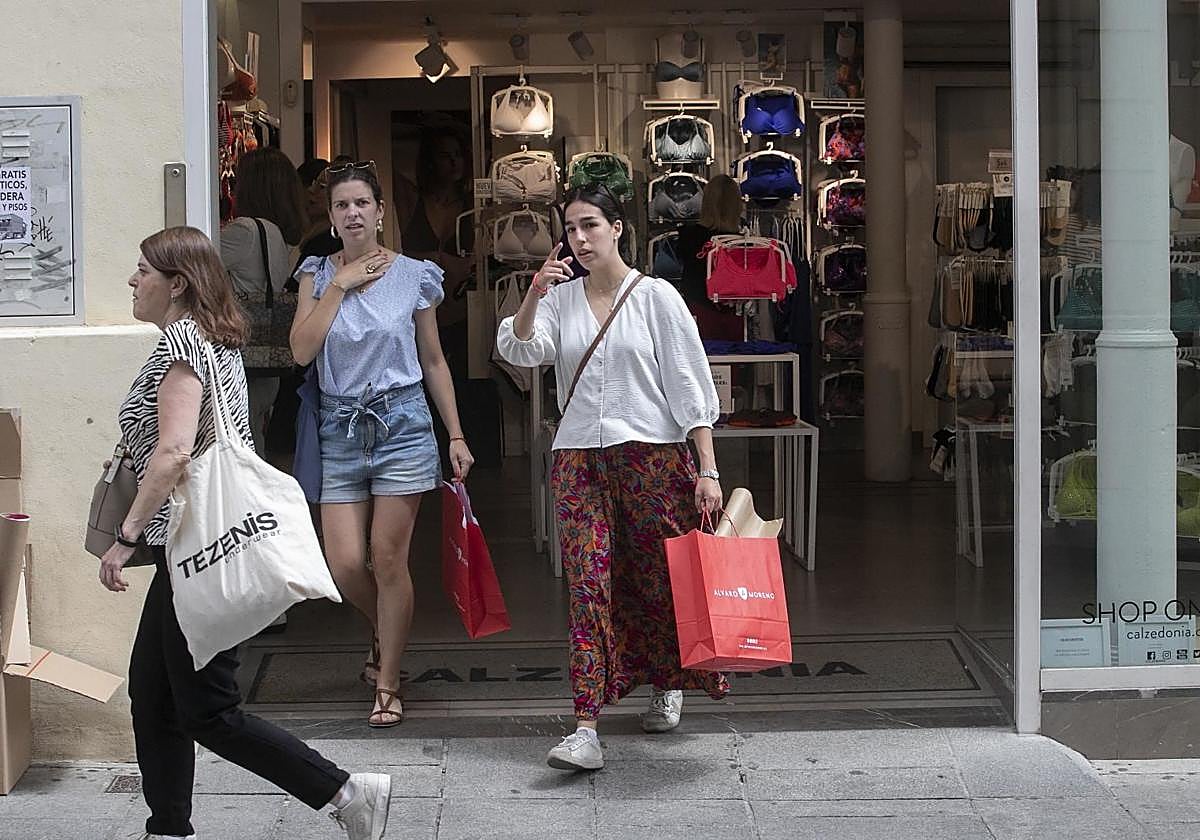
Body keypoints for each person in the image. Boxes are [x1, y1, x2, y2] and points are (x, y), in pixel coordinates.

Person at [98, 226, 391, 840]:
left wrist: (125, 535)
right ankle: (167, 828)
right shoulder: (213, 340)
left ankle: (343, 791)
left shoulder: (182, 345)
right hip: (194, 547)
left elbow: (176, 450)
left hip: (198, 549)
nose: (133, 280)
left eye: (143, 271)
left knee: (208, 709)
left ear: (176, 283)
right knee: (154, 698)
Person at [496, 185, 730, 772]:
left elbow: (689, 384)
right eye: (571, 228)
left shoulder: (656, 297)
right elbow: (522, 352)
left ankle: (667, 682)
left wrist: (707, 468)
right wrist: (532, 294)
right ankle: (585, 724)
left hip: (652, 456)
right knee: (587, 583)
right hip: (578, 459)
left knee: (656, 578)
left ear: (618, 228)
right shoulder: (559, 299)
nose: (580, 238)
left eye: (591, 225)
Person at [290, 161, 475, 728]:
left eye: (361, 204)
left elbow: (434, 358)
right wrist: (339, 287)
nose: (351, 214)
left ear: (379, 210)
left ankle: (389, 682)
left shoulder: (415, 275)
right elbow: (301, 350)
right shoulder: (316, 273)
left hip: (402, 423)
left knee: (387, 558)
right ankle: (383, 629)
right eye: (341, 206)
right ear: (330, 215)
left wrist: (456, 433)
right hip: (340, 426)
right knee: (344, 563)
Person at [220, 146, 308, 455]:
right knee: (254, 431)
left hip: (240, 351)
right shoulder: (280, 236)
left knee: (240, 440)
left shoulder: (245, 231)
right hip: (266, 355)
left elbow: (193, 264)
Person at [394, 126, 475, 375]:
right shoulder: (412, 200)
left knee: (467, 387)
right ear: (430, 161)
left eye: (458, 154)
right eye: (444, 155)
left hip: (466, 315)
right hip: (420, 314)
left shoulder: (475, 206)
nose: (453, 162)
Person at [674, 173, 746, 341]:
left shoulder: (688, 236)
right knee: (733, 361)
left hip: (698, 310)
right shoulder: (742, 242)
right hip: (732, 311)